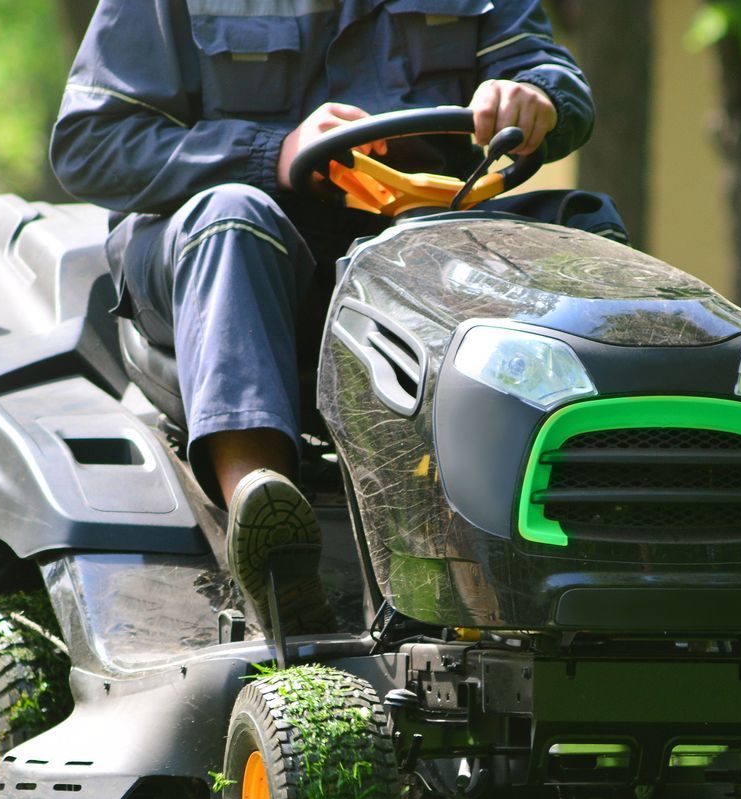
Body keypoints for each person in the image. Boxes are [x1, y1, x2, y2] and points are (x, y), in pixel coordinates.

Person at [50, 0, 594, 634]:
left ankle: (607, 519)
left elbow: (548, 73)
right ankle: (264, 523)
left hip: (418, 252)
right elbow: (90, 143)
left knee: (582, 227)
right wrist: (270, 152)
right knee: (234, 217)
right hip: (226, 257)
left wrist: (536, 96)